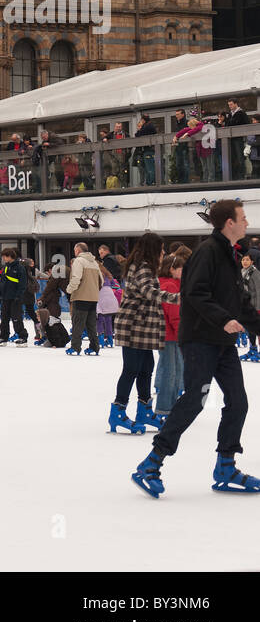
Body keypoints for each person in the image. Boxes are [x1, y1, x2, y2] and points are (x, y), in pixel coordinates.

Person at [133, 200, 260, 497]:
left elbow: (239, 302)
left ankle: (226, 466)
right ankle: (150, 464)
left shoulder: (230, 253)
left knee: (238, 401)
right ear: (229, 222)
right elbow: (195, 294)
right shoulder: (207, 252)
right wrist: (224, 319)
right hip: (201, 339)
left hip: (222, 342)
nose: (246, 221)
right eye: (242, 217)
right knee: (194, 399)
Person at [107, 233, 179, 435]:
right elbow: (150, 292)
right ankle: (118, 411)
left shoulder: (145, 266)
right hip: (134, 326)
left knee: (147, 367)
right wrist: (178, 298)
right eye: (161, 249)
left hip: (143, 327)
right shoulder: (142, 267)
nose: (163, 253)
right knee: (131, 369)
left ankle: (145, 410)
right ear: (153, 249)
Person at [152, 251, 186, 421]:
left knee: (174, 370)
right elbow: (174, 313)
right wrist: (181, 333)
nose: (183, 272)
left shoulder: (166, 283)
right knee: (171, 372)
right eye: (181, 268)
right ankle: (165, 408)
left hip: (166, 333)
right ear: (172, 269)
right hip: (170, 335)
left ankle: (170, 405)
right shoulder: (170, 286)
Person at [65, 241, 103, 355]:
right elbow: (101, 280)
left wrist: (69, 290)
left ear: (78, 250)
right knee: (91, 324)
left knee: (78, 323)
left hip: (81, 296)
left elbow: (76, 278)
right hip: (93, 297)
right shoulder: (95, 263)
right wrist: (94, 291)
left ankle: (75, 347)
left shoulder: (79, 261)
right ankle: (94, 347)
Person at [0, 248, 29, 346]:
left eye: (4, 256)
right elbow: (3, 282)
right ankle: (3, 337)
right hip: (5, 297)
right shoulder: (5, 267)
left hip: (15, 298)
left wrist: (18, 296)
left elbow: (23, 284)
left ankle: (23, 337)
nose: (3, 258)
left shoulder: (20, 268)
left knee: (16, 318)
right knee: (4, 319)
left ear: (10, 256)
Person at [96, 265, 121, 348]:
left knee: (99, 319)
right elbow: (114, 284)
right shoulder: (108, 275)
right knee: (108, 319)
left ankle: (101, 340)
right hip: (110, 297)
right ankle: (110, 340)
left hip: (101, 297)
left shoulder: (96, 274)